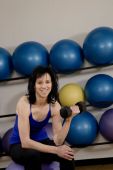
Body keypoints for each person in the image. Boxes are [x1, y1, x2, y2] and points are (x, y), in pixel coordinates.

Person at [9, 66, 80, 170]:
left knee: (67, 153)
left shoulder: (54, 105)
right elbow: (25, 142)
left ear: (52, 84)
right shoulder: (24, 102)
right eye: (40, 82)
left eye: (47, 82)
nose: (44, 86)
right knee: (33, 155)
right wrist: (56, 150)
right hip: (19, 145)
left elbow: (58, 141)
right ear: (33, 85)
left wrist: (69, 120)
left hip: (42, 141)